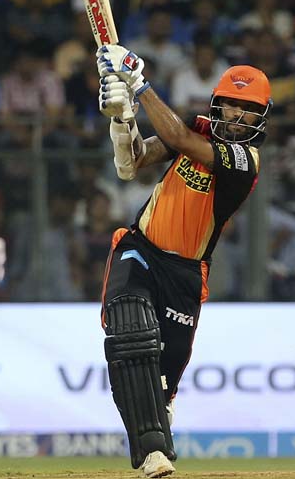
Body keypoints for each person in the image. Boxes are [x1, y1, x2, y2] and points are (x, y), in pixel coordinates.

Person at [95, 44, 271, 477]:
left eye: (245, 109)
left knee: (160, 379)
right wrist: (122, 121)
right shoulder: (199, 128)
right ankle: (152, 453)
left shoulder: (245, 161)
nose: (234, 115)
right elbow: (135, 161)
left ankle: (159, 416)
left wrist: (139, 84)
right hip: (141, 247)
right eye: (228, 104)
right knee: (130, 336)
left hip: (186, 274)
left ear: (260, 118)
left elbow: (176, 140)